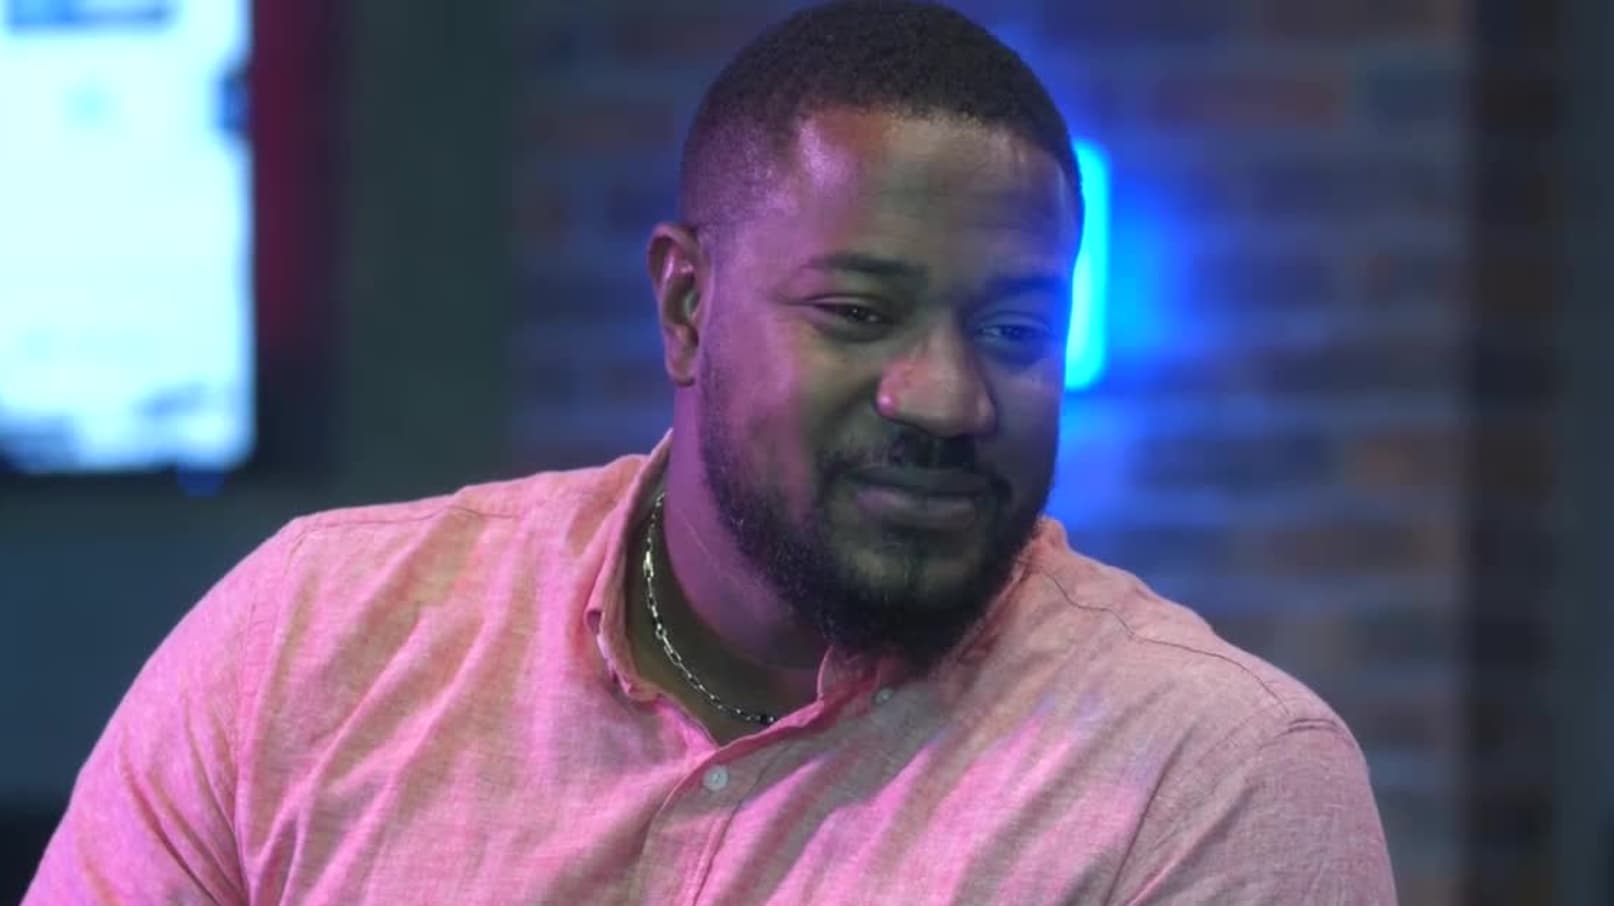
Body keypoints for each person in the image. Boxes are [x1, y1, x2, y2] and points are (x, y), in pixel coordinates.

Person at [27, 2, 1397, 903]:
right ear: (686, 306)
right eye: (858, 313)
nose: (943, 398)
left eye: (1013, 328)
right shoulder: (314, 639)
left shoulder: (1210, 776)